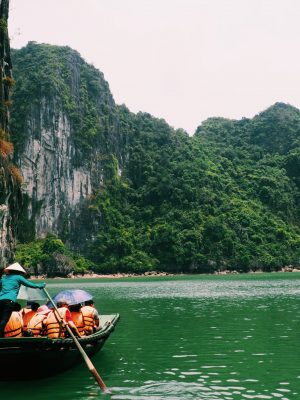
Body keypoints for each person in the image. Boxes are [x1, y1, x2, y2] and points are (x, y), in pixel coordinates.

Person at [0, 262, 46, 337]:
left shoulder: (4, 278)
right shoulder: (18, 277)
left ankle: (2, 335)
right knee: (4, 320)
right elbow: (31, 284)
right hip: (9, 300)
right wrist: (41, 285)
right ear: (19, 272)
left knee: (0, 318)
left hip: (0, 299)